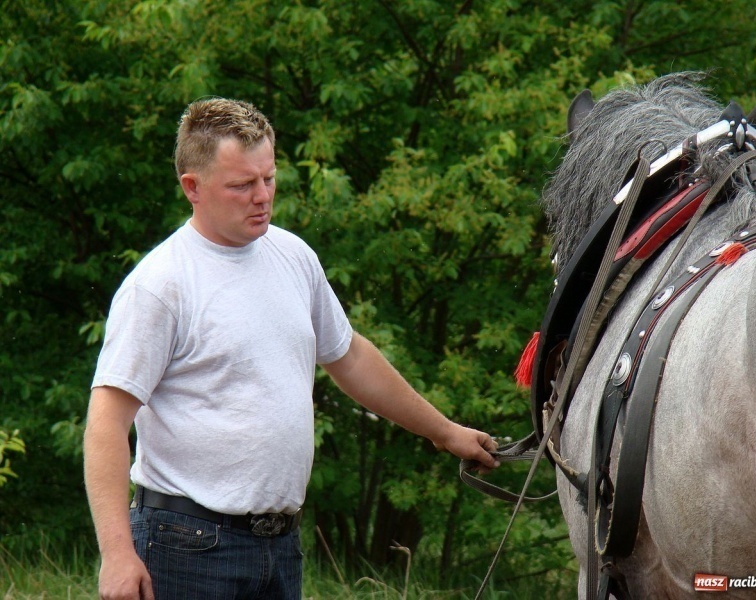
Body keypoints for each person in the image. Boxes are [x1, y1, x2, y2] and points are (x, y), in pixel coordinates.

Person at [83, 97, 500, 600]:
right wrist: (117, 554)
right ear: (192, 187)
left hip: (280, 547)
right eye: (242, 185)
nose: (262, 196)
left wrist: (444, 431)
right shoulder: (160, 284)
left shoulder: (293, 255)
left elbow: (350, 357)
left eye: (269, 178)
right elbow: (106, 423)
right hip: (185, 548)